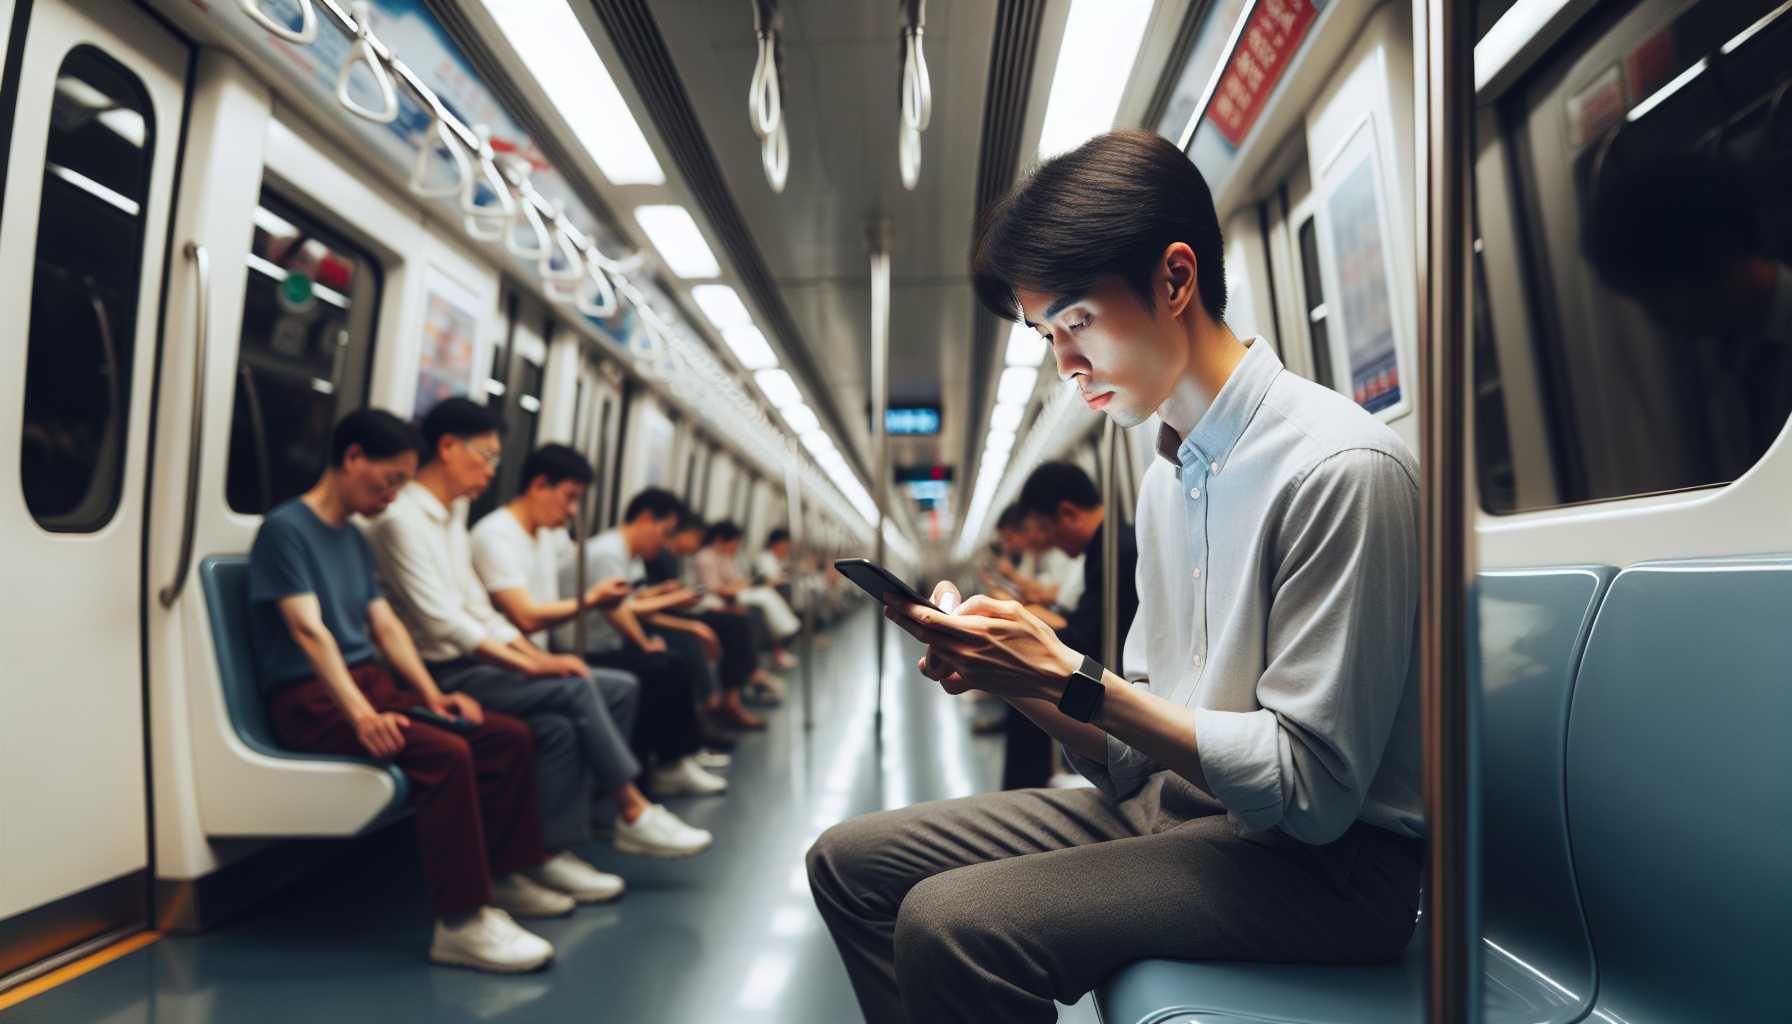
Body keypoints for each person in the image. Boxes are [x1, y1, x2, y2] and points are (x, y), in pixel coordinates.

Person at [809, 129, 1424, 1023]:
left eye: (1076, 322)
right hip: (1183, 814)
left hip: (1324, 871)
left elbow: (1315, 793)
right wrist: (1015, 675)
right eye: (1045, 334)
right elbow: (1136, 749)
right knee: (849, 863)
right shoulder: (1167, 477)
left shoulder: (1340, 467)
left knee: (953, 924)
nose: (1064, 363)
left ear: (1175, 280)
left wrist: (1067, 675)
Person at [248, 408, 558, 973]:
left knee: (504, 737)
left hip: (368, 686)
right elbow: (308, 631)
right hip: (312, 700)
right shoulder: (285, 529)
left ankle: (506, 878)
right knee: (445, 754)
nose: (392, 496)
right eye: (387, 480)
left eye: (401, 484)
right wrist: (363, 714)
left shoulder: (353, 539)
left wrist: (428, 695)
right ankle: (461, 923)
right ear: (352, 459)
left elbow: (385, 625)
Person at [363, 399, 670, 889]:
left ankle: (548, 850)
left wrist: (535, 658)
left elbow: (479, 611)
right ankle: (630, 808)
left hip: (472, 661)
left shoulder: (450, 519)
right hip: (436, 671)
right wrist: (530, 668)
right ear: (446, 448)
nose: (490, 472)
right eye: (484, 457)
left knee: (562, 723)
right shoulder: (402, 520)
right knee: (574, 690)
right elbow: (442, 622)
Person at [467, 442, 716, 858]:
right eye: (569, 498)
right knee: (596, 688)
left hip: (541, 657)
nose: (571, 512)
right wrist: (595, 603)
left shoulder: (550, 536)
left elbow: (602, 595)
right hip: (507, 660)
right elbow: (526, 617)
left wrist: (634, 606)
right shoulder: (495, 535)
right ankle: (629, 808)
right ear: (539, 485)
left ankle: (597, 813)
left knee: (623, 687)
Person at [559, 487, 729, 801]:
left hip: (608, 642)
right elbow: (617, 609)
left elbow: (630, 600)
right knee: (665, 666)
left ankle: (677, 756)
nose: (665, 543)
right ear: (646, 518)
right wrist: (647, 639)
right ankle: (669, 764)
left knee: (672, 661)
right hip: (584, 648)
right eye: (664, 533)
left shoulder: (628, 556)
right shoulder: (607, 553)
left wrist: (662, 600)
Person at [694, 521, 801, 670]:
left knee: (765, 596)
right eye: (734, 542)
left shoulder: (725, 557)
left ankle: (783, 633)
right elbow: (715, 588)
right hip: (715, 599)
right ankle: (784, 631)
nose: (736, 547)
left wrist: (742, 585)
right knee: (763, 598)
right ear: (720, 540)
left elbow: (737, 580)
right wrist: (740, 586)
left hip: (733, 593)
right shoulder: (705, 557)